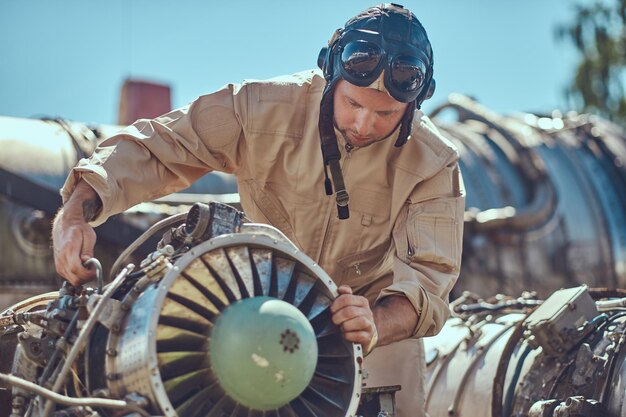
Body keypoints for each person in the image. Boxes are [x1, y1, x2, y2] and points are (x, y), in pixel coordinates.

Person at [52, 4, 465, 416]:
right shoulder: (259, 107)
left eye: (385, 114)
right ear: (329, 74)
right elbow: (160, 146)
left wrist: (376, 322)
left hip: (369, 332)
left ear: (415, 104)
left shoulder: (434, 163)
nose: (362, 123)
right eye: (352, 103)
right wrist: (76, 212)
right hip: (256, 314)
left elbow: (429, 281)